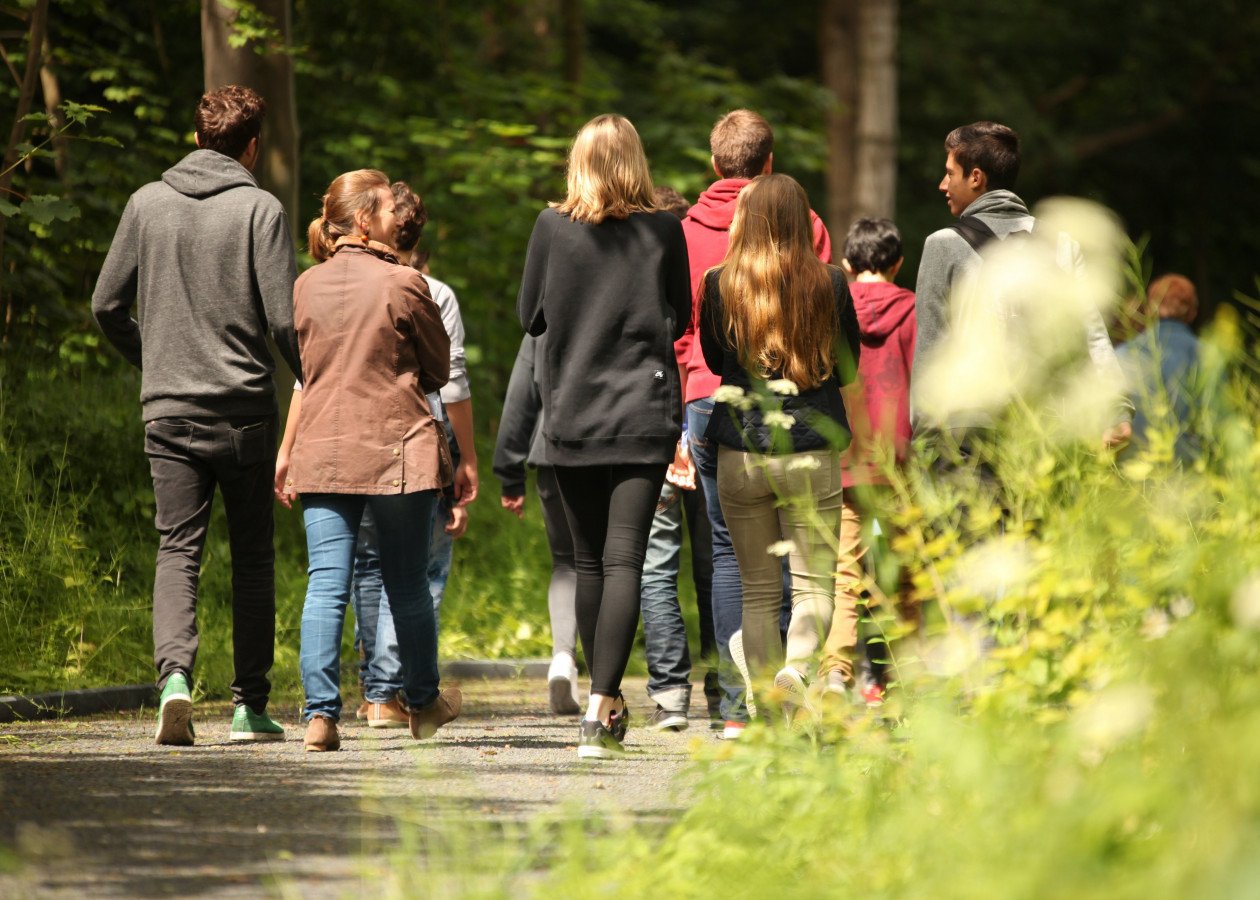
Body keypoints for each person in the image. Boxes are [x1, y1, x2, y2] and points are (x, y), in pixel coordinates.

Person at [92, 85, 299, 746]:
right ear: (253, 146)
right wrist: (312, 379)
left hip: (169, 410)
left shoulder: (145, 204)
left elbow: (105, 306)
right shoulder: (260, 210)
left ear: (194, 137)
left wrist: (153, 359)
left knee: (177, 549)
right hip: (244, 414)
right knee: (252, 560)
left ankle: (175, 681)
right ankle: (248, 708)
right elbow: (284, 320)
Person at [517, 114, 690, 759]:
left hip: (571, 414)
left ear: (578, 164)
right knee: (626, 561)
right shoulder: (664, 230)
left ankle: (601, 697)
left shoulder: (549, 228)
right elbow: (679, 314)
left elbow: (528, 315)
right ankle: (603, 706)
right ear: (636, 163)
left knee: (590, 561)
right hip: (642, 412)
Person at [279, 168, 461, 751]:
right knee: (406, 581)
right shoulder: (404, 282)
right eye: (386, 208)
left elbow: (307, 371)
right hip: (396, 450)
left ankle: (320, 716)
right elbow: (437, 370)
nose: (394, 217)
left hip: (323, 448)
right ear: (364, 220)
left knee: (325, 583)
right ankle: (423, 703)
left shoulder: (306, 285)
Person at [678, 109, 832, 739]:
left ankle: (743, 712)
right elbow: (832, 345)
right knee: (807, 568)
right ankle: (795, 681)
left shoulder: (696, 252)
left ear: (717, 165)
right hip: (804, 425)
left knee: (736, 569)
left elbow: (697, 344)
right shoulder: (819, 253)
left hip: (721, 418)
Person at [699, 173, 861, 716]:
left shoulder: (719, 283)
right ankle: (796, 673)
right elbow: (849, 367)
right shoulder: (831, 284)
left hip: (740, 450)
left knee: (758, 590)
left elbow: (714, 354)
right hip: (812, 448)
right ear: (802, 220)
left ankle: (769, 707)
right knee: (815, 584)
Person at [912, 121, 1131, 449]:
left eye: (950, 173)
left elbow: (930, 350)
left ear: (975, 178)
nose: (943, 184)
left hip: (967, 434)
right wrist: (1116, 411)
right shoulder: (1060, 244)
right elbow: (1092, 334)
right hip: (1044, 433)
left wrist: (924, 438)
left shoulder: (943, 244)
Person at [828, 217, 918, 704]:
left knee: (846, 575)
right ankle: (902, 679)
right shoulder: (916, 310)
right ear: (898, 263)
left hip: (845, 457)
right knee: (905, 572)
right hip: (899, 463)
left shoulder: (831, 308)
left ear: (846, 264)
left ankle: (836, 674)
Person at [640, 185, 719, 731]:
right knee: (717, 561)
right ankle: (722, 685)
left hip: (655, 429)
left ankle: (670, 693)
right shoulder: (700, 285)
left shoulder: (638, 286)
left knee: (656, 564)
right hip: (703, 419)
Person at [492, 333, 581, 716]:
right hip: (618, 446)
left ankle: (563, 657)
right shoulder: (626, 298)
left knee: (567, 563)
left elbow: (520, 397)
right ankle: (606, 688)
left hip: (552, 448)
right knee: (614, 563)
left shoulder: (544, 318)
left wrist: (510, 472)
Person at [1115, 274, 1203, 463]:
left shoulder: (1121, 355)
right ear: (1192, 313)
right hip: (1188, 472)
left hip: (1133, 471)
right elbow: (1218, 420)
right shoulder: (1205, 355)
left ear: (1149, 310)